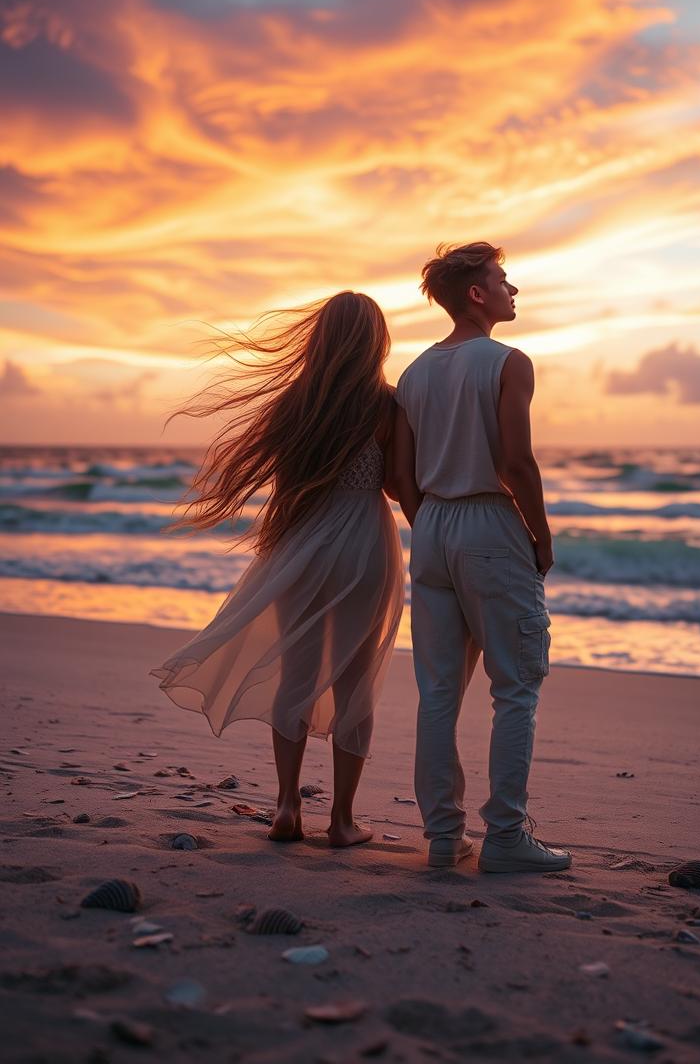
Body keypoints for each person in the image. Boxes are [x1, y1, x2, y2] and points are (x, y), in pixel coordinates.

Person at [150, 293, 404, 848]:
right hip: (364, 547)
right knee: (355, 681)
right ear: (376, 342)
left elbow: (288, 488)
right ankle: (341, 821)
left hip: (303, 546)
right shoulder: (386, 405)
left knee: (297, 673)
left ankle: (287, 808)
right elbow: (401, 490)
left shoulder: (296, 404)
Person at [394, 242, 572, 873]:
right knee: (516, 688)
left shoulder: (414, 373)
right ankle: (504, 837)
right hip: (489, 524)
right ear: (477, 294)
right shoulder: (507, 363)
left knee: (438, 692)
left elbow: (400, 472)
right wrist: (540, 537)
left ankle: (443, 835)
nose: (512, 289)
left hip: (434, 524)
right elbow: (515, 462)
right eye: (502, 279)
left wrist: (431, 525)